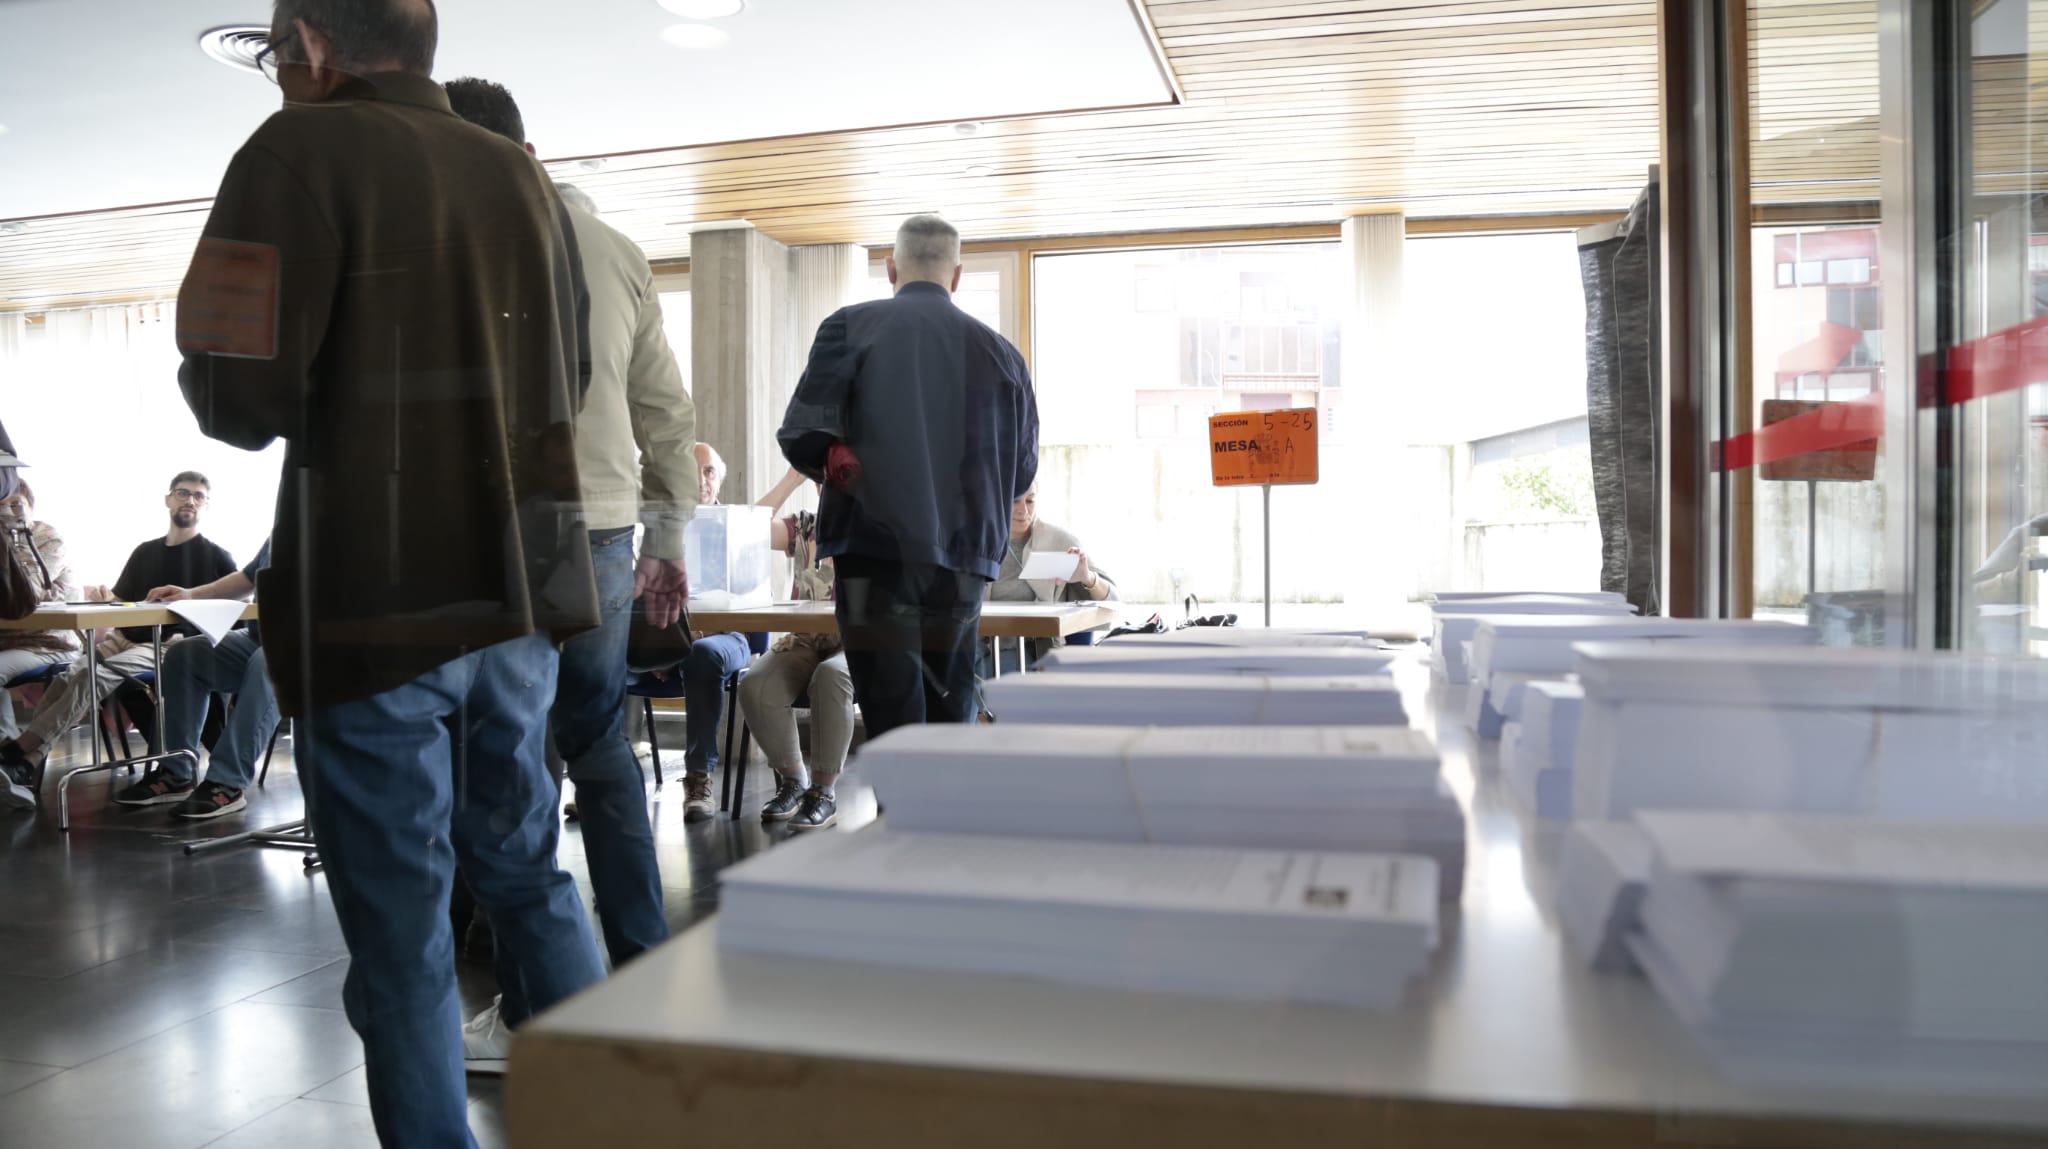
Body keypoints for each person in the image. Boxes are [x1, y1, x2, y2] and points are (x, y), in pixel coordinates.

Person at [173, 3, 604, 1144]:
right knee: (529, 879)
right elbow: (575, 371)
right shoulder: (524, 180)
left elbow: (235, 396)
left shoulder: (293, 150)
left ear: (310, 44)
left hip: (374, 600)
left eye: (274, 56)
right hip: (517, 594)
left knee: (405, 934)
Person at [443, 76, 698, 1067]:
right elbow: (666, 415)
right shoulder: (619, 252)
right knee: (596, 751)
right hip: (596, 533)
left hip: (500, 533)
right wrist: (665, 542)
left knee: (508, 766)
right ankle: (642, 968)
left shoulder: (455, 238)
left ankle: (533, 1006)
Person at [779, 213, 1040, 793]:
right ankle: (944, 845)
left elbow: (801, 436)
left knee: (893, 711)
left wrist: (841, 462)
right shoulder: (1003, 356)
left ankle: (898, 845)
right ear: (957, 275)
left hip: (875, 555)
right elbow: (1022, 470)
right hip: (966, 560)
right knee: (952, 703)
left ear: (891, 268)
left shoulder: (849, 328)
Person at [0, 473, 237, 810]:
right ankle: (27, 760)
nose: (190, 501)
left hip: (168, 643)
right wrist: (103, 597)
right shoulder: (145, 552)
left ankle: (18, 751)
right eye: (183, 493)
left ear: (207, 505)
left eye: (199, 496)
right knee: (68, 678)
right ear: (168, 499)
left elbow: (233, 613)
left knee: (90, 677)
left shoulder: (217, 557)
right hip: (124, 637)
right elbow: (121, 599)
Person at [737, 467, 852, 830]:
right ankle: (794, 781)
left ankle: (823, 791)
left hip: (857, 642)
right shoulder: (804, 528)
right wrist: (792, 479)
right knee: (755, 684)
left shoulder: (878, 527)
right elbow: (747, 528)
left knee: (831, 676)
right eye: (825, 482)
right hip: (804, 639)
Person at [139, 539, 276, 819]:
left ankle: (226, 782)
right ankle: (176, 772)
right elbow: (247, 579)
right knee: (183, 656)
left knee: (270, 661)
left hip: (315, 644)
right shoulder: (283, 526)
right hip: (259, 636)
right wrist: (190, 595)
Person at [981, 481, 1117, 675]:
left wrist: (1087, 578)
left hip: (1034, 651)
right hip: (979, 646)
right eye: (1014, 501)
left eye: (1030, 501)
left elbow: (1113, 602)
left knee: (972, 683)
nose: (1023, 510)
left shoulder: (1059, 540)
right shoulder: (977, 542)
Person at [0, 481, 78, 746]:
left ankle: (7, 756)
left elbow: (29, 592)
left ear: (30, 507)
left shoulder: (46, 538)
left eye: (15, 505)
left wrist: (12, 540)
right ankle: (6, 745)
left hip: (49, 641)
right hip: (7, 642)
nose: (9, 514)